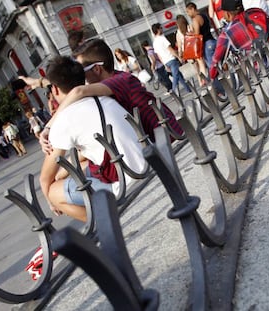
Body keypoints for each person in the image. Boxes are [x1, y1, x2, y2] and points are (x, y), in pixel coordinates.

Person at [19, 38, 184, 150]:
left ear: (97, 69)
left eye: (81, 70)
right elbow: (70, 91)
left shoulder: (120, 81)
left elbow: (77, 91)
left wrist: (47, 128)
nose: (79, 74)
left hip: (168, 139)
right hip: (156, 140)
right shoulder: (110, 83)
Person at [39, 55, 146, 222]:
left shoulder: (64, 119)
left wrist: (51, 202)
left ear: (55, 89)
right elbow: (87, 152)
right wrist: (62, 174)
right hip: (145, 165)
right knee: (77, 167)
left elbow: (45, 178)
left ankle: (106, 224)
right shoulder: (104, 97)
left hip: (126, 183)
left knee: (53, 191)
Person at [209, 0, 253, 80]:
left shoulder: (227, 33)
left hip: (253, 71)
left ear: (228, 13)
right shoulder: (255, 15)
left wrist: (212, 75)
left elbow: (216, 61)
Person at [151, 23, 192, 96]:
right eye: (160, 28)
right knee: (176, 76)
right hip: (171, 59)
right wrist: (179, 57)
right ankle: (174, 91)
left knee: (179, 75)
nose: (162, 29)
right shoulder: (162, 38)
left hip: (165, 61)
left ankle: (188, 89)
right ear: (158, 30)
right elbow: (170, 49)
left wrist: (164, 64)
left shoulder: (154, 43)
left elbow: (159, 55)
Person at [175, 14, 207, 87]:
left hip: (188, 53)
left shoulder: (178, 33)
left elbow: (179, 47)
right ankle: (205, 79)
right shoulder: (190, 27)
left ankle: (200, 82)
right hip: (195, 49)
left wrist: (180, 56)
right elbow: (196, 35)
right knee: (201, 64)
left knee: (196, 69)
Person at [185, 2, 217, 69]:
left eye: (188, 11)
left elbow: (197, 35)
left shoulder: (195, 19)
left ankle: (215, 79)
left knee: (212, 68)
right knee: (219, 63)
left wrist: (191, 34)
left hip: (206, 44)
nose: (188, 14)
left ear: (192, 9)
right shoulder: (203, 15)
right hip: (212, 40)